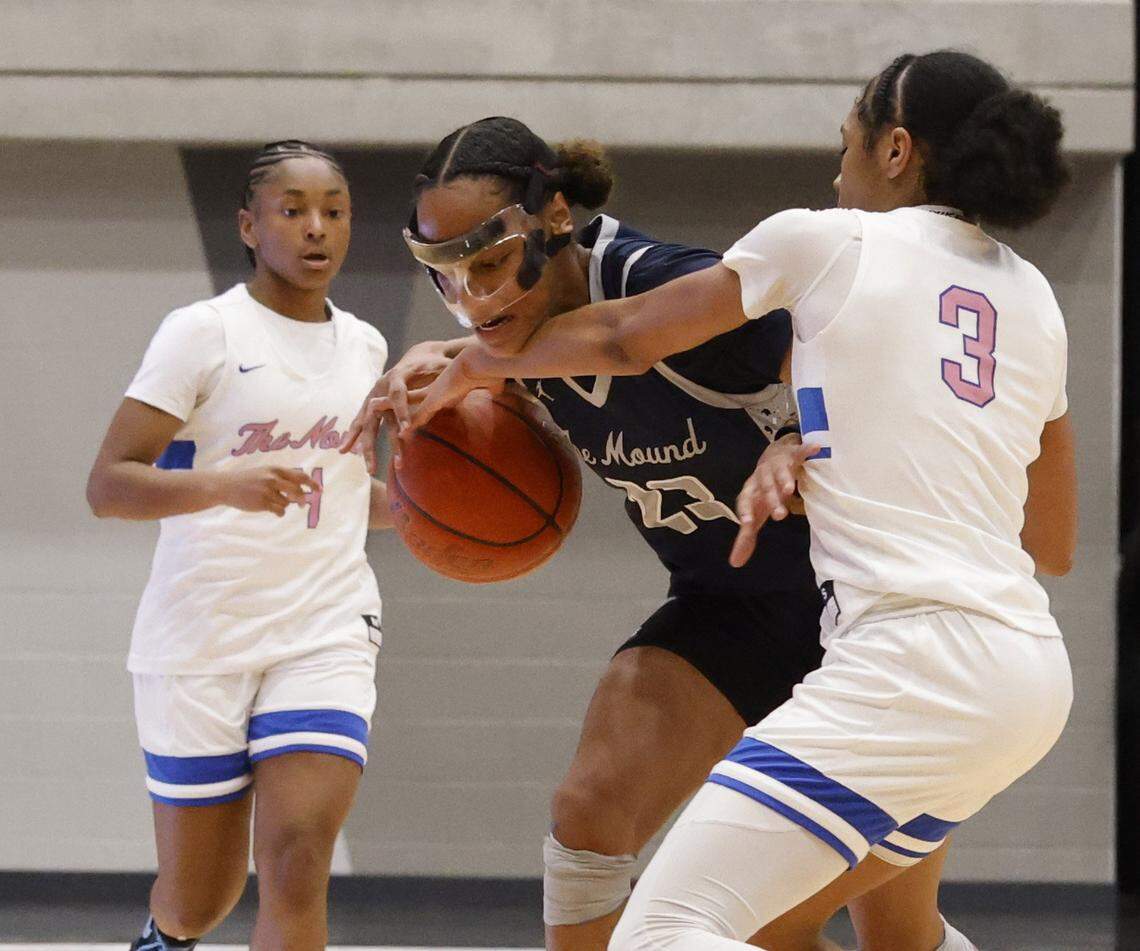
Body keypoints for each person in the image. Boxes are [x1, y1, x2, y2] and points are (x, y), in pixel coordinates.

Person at [346, 116, 976, 950]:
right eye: (447, 278)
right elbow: (517, 362)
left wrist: (799, 443)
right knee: (591, 809)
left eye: (490, 264)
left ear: (555, 218)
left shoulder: (666, 285)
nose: (473, 298)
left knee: (869, 927)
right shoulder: (506, 337)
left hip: (851, 605)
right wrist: (456, 389)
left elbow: (876, 363)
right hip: (727, 602)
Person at [86, 141, 391, 951]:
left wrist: (462, 526)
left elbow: (352, 491)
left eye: (334, 211)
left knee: (296, 860)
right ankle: (165, 934)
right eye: (292, 211)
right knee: (199, 899)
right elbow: (109, 484)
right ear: (249, 226)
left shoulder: (364, 346)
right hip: (202, 635)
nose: (316, 229)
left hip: (325, 626)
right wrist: (228, 484)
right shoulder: (202, 332)